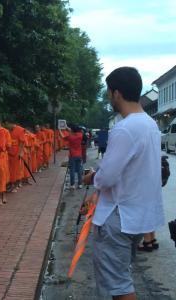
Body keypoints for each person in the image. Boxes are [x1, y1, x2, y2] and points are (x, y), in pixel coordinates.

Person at [84, 67, 165, 300]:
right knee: (121, 277)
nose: (109, 98)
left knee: (118, 285)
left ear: (116, 93)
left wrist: (92, 178)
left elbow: (107, 176)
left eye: (109, 92)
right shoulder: (150, 125)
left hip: (118, 217)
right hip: (137, 217)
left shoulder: (125, 127)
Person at [59, 124, 83, 189]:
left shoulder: (70, 137)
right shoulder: (80, 135)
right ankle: (80, 184)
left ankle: (72, 185)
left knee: (72, 170)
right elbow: (75, 131)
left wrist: (59, 130)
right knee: (79, 170)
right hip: (79, 155)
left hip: (72, 155)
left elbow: (62, 136)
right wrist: (68, 128)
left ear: (72, 130)